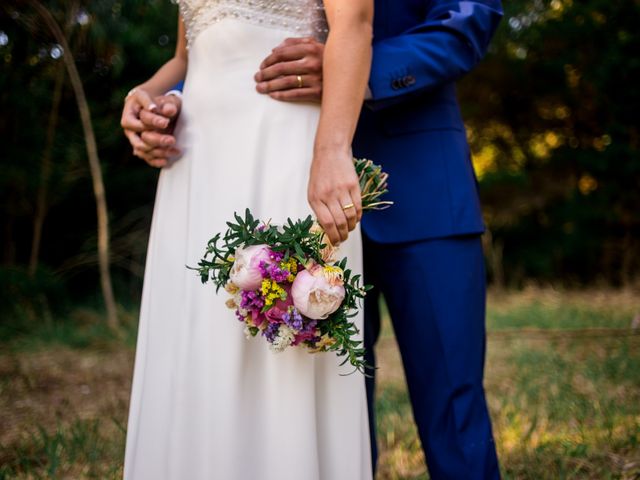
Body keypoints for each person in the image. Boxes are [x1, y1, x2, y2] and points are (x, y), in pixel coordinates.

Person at [123, 1, 505, 478]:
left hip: (418, 183)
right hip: (276, 189)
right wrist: (174, 101)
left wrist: (356, 73)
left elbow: (469, 19)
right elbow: (225, 45)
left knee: (453, 402)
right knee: (315, 409)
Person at [121, 1, 374, 479]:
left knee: (278, 351)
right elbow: (187, 54)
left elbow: (356, 24)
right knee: (197, 339)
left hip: (281, 144)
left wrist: (332, 150)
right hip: (195, 163)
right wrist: (147, 95)